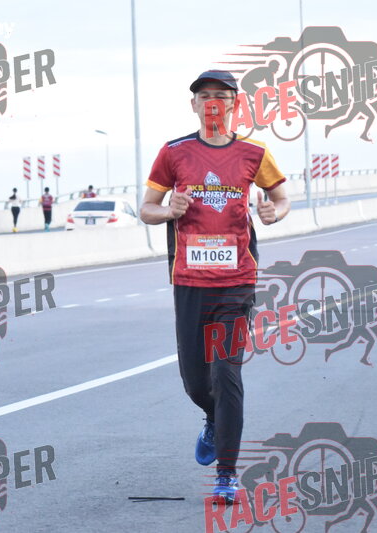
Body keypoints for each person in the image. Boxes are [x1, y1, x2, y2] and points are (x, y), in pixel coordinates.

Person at [139, 69, 290, 503]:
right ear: (193, 105)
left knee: (226, 373)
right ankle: (211, 417)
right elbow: (146, 208)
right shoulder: (174, 153)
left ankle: (226, 474)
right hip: (189, 281)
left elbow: (281, 197)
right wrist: (169, 211)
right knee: (196, 382)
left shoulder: (254, 152)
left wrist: (273, 212)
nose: (213, 102)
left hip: (236, 283)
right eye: (204, 95)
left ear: (235, 104)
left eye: (222, 96)